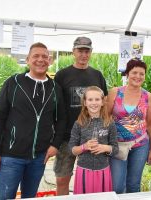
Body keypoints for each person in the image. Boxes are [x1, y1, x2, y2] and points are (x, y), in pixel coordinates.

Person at [0, 42, 66, 200]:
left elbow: (61, 119)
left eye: (45, 56)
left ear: (50, 61)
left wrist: (55, 145)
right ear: (28, 60)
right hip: (11, 156)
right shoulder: (13, 83)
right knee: (4, 197)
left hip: (39, 157)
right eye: (36, 56)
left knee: (29, 197)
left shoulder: (55, 88)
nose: (40, 60)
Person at [53, 36, 108, 195]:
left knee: (92, 178)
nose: (83, 54)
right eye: (80, 51)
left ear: (91, 52)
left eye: (87, 51)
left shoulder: (97, 75)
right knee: (62, 178)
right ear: (73, 52)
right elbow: (56, 106)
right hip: (67, 137)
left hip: (92, 137)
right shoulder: (62, 75)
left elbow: (104, 102)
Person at [107, 58, 151, 194]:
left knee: (133, 185)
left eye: (142, 74)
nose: (138, 76)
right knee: (117, 186)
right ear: (127, 74)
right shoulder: (115, 92)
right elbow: (105, 118)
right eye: (134, 72)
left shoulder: (148, 96)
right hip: (118, 145)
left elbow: (150, 124)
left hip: (140, 145)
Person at [69, 86, 118, 194]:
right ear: (85, 103)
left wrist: (105, 148)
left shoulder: (109, 123)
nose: (94, 103)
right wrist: (84, 147)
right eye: (90, 100)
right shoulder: (79, 123)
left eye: (97, 99)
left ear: (102, 102)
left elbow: (115, 149)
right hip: (84, 171)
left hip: (103, 171)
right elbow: (72, 149)